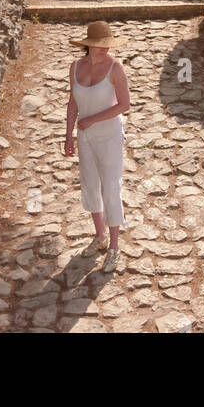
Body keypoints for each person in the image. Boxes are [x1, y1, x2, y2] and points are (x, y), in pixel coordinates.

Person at [64, 20, 131, 272]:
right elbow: (72, 103)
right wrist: (68, 135)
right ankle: (100, 236)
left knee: (111, 187)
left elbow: (124, 105)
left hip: (110, 136)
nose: (104, 49)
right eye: (99, 45)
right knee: (90, 184)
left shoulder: (116, 68)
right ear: (88, 45)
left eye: (107, 45)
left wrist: (91, 119)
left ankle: (114, 247)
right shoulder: (74, 68)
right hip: (85, 138)